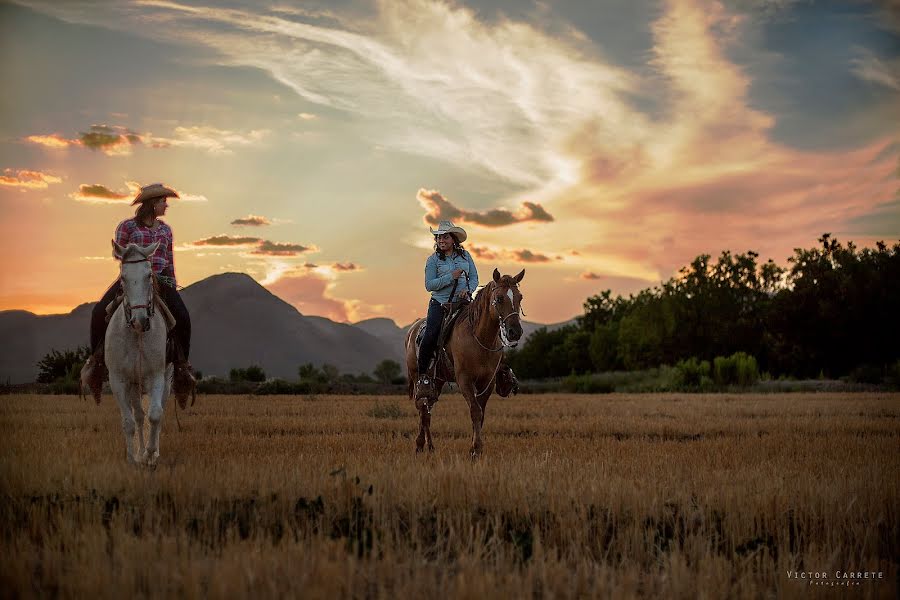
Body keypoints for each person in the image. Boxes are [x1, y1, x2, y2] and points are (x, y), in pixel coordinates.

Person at [81, 183, 195, 403]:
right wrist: (137, 263)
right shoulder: (127, 227)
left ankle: (182, 369)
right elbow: (119, 255)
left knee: (183, 317)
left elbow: (169, 260)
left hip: (161, 280)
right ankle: (96, 364)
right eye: (163, 201)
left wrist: (171, 282)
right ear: (153, 204)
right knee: (98, 312)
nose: (166, 205)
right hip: (133, 279)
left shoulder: (165, 230)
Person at [415, 220, 479, 399]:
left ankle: (501, 371)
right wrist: (451, 277)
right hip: (440, 304)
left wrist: (469, 289)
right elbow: (429, 285)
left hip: (464, 302)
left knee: (486, 326)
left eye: (444, 236)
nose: (440, 240)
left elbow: (474, 277)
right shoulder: (433, 260)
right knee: (430, 335)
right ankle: (423, 378)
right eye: (438, 237)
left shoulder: (466, 256)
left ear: (453, 239)